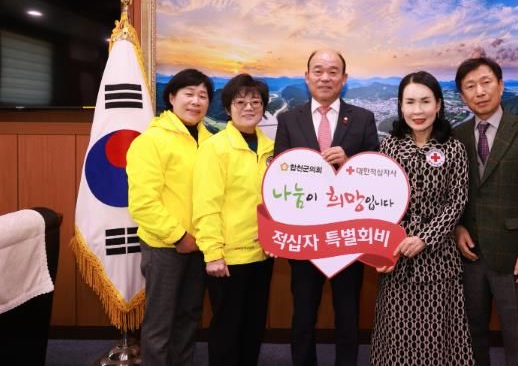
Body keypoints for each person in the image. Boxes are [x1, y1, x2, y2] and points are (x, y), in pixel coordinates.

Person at [273, 48, 379, 366]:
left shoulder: (363, 118)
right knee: (303, 314)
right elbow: (278, 175)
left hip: (347, 235)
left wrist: (349, 163)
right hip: (304, 235)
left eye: (333, 71)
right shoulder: (288, 119)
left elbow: (375, 174)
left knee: (348, 314)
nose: (325, 77)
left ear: (344, 79)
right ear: (307, 77)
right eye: (318, 70)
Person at [452, 57, 518, 366]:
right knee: (471, 335)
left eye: (486, 82)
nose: (479, 91)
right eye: (470, 86)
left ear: (500, 85)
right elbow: (453, 193)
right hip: (470, 256)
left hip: (515, 255)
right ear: (462, 96)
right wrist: (457, 227)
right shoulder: (457, 136)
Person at [370, 71, 474, 365]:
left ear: (438, 105)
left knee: (435, 335)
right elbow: (377, 199)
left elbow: (457, 201)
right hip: (396, 255)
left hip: (438, 258)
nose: (418, 110)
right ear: (400, 106)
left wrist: (425, 238)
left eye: (425, 101)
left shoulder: (453, 148)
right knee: (396, 335)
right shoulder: (389, 146)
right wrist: (384, 245)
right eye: (410, 102)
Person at [127, 68, 213, 366]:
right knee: (160, 320)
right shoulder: (151, 140)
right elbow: (143, 202)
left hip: (201, 244)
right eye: (189, 94)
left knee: (189, 316)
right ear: (172, 97)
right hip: (165, 245)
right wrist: (178, 236)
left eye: (203, 95)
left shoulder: (210, 141)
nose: (196, 101)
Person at [192, 74, 275, 366]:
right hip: (228, 257)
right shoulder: (215, 148)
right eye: (240, 102)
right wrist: (213, 253)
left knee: (254, 326)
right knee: (227, 328)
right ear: (228, 108)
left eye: (256, 102)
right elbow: (206, 204)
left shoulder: (270, 148)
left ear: (263, 107)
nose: (249, 107)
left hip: (263, 252)